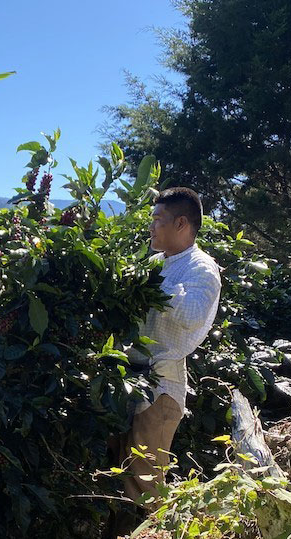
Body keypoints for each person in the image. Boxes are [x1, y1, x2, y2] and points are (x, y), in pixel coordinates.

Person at [121, 187, 221, 506]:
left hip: (161, 389)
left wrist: (156, 284)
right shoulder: (155, 263)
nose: (151, 226)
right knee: (120, 479)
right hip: (130, 380)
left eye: (158, 219)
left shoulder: (201, 268)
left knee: (144, 486)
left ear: (181, 224)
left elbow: (192, 315)